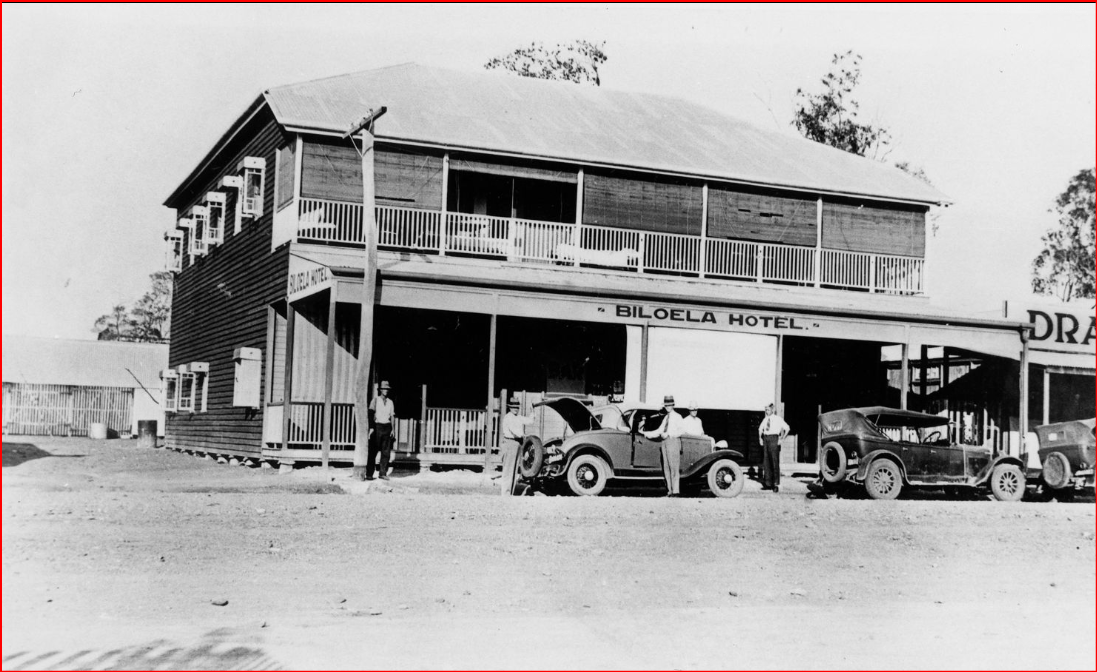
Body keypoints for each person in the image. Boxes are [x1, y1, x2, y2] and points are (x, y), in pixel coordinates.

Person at [644, 394, 686, 496]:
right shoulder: (666, 417)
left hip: (673, 441)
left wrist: (669, 434)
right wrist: (647, 434)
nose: (668, 407)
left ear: (673, 405)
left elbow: (682, 431)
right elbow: (659, 431)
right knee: (666, 467)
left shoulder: (678, 417)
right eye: (666, 405)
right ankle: (670, 490)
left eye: (669, 405)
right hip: (664, 442)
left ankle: (676, 491)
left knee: (674, 467)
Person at [498, 399, 534, 496]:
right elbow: (514, 430)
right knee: (508, 469)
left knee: (514, 470)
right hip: (510, 443)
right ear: (509, 407)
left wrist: (532, 411)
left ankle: (510, 493)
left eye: (517, 407)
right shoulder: (508, 417)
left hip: (518, 444)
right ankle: (505, 494)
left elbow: (530, 421)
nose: (515, 409)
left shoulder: (518, 417)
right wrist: (523, 435)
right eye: (513, 407)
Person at [758, 403, 790, 493]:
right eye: (765, 410)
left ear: (772, 410)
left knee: (774, 461)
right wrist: (760, 438)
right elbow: (760, 429)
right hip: (766, 439)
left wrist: (782, 439)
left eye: (768, 410)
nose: (766, 411)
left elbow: (787, 428)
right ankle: (768, 483)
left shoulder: (778, 419)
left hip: (774, 439)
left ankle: (775, 484)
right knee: (766, 461)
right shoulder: (765, 419)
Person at [366, 381, 395, 481]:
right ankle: (369, 474)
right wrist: (371, 427)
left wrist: (392, 429)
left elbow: (392, 416)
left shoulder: (390, 402)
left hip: (387, 427)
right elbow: (370, 413)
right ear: (380, 390)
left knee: (386, 452)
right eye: (384, 389)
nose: (386, 391)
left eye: (387, 389)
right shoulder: (375, 400)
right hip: (377, 427)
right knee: (373, 451)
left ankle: (383, 473)